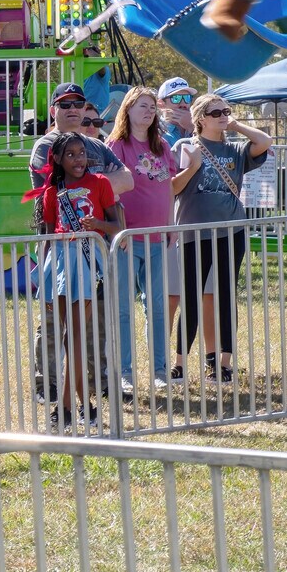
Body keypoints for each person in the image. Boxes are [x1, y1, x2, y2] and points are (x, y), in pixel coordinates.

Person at [170, 93, 272, 382]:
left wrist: (237, 125)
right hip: (192, 230)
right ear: (201, 118)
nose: (223, 116)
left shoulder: (236, 150)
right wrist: (192, 167)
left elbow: (264, 142)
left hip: (231, 229)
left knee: (226, 294)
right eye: (216, 113)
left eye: (226, 111)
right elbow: (172, 188)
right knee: (191, 296)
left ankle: (223, 364)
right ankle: (179, 363)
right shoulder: (185, 145)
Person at [31, 133, 124, 428]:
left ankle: (69, 408)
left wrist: (97, 225)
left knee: (76, 334)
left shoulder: (100, 183)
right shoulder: (51, 191)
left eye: (81, 153)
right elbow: (46, 235)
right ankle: (82, 407)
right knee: (65, 335)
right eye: (70, 154)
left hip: (85, 261)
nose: (78, 159)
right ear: (57, 158)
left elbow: (117, 225)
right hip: (57, 263)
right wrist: (42, 280)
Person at [103, 87, 177, 394]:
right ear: (128, 110)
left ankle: (160, 370)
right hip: (126, 238)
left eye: (152, 107)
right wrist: (116, 230)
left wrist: (171, 222)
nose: (148, 111)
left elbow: (169, 186)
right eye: (142, 106)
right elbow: (108, 191)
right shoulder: (116, 145)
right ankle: (124, 372)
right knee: (122, 308)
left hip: (159, 237)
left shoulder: (162, 145)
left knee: (158, 306)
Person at [158, 77, 196, 147]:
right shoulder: (156, 131)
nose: (183, 104)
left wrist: (192, 128)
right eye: (176, 98)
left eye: (187, 98)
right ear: (161, 104)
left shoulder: (197, 127)